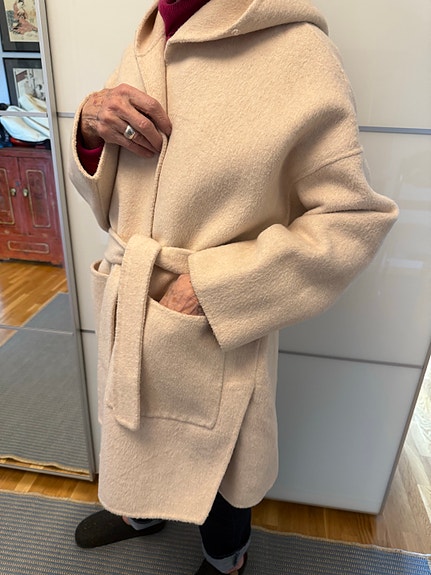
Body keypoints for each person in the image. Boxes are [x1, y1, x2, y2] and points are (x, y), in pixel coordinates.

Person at [69, 1, 398, 573]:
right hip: (132, 289)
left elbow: (353, 218)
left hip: (217, 310)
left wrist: (211, 288)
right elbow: (119, 184)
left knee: (222, 457)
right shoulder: (151, 31)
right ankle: (140, 513)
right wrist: (90, 126)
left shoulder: (297, 50)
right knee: (129, 423)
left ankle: (227, 558)